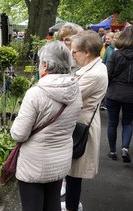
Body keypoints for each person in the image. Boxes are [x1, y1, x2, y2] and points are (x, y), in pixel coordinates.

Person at [10, 41, 82, 211]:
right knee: (52, 203)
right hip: (60, 158)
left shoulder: (36, 93)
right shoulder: (76, 91)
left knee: (31, 210)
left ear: (45, 65)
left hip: (35, 162)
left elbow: (19, 134)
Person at [61, 30, 108, 211]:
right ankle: (73, 204)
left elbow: (68, 95)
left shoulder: (94, 74)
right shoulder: (94, 68)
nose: (72, 55)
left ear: (87, 52)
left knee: (74, 171)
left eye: (74, 52)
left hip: (82, 126)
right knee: (73, 169)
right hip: (83, 122)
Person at [105, 25, 133, 162]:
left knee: (112, 123)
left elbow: (108, 74)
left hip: (115, 92)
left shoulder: (116, 54)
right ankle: (125, 148)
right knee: (128, 122)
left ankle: (112, 151)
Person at [56, 22, 84, 197]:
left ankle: (64, 179)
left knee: (68, 145)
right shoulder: (57, 56)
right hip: (57, 106)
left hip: (72, 108)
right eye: (64, 39)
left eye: (71, 39)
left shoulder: (79, 59)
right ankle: (60, 178)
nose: (67, 43)